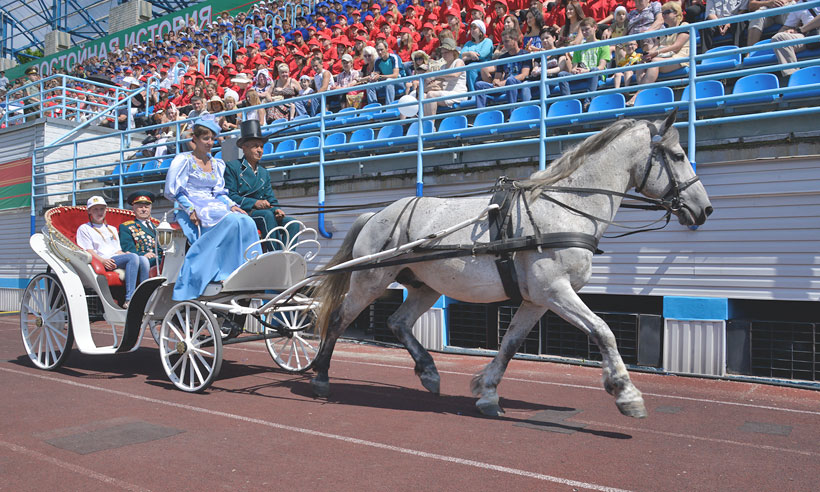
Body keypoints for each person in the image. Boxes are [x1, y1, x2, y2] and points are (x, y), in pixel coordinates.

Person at [163, 115, 262, 301]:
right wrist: (190, 209)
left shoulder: (217, 163)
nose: (210, 142)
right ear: (195, 139)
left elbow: (219, 192)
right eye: (205, 138)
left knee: (246, 220)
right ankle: (221, 272)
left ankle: (248, 270)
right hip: (193, 204)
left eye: (212, 138)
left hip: (214, 204)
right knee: (231, 220)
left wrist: (232, 205)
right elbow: (175, 191)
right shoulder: (184, 160)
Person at [224, 120, 301, 251]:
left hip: (265, 213)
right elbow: (230, 196)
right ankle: (276, 254)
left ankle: (288, 255)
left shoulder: (264, 173)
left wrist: (277, 209)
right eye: (255, 146)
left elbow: (270, 197)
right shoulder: (232, 167)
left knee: (292, 223)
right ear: (244, 148)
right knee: (267, 215)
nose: (259, 150)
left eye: (261, 146)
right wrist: (254, 203)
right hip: (244, 212)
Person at [76, 196, 146, 308]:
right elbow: (88, 251)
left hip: (115, 259)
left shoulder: (112, 229)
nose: (99, 212)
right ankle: (129, 299)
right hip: (102, 260)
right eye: (95, 209)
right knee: (133, 257)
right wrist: (103, 261)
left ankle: (145, 297)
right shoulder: (84, 228)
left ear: (106, 210)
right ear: (89, 211)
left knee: (143, 259)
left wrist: (125, 254)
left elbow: (117, 250)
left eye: (102, 209)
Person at [627, 2, 690, 105]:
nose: (663, 15)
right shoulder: (663, 30)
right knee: (641, 63)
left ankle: (638, 95)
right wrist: (648, 55)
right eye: (662, 13)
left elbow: (677, 46)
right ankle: (644, 95)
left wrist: (656, 52)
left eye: (667, 12)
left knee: (655, 61)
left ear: (676, 13)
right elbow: (655, 47)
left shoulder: (684, 25)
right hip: (664, 58)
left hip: (680, 58)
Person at [557, 17, 611, 108]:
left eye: (587, 29)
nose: (585, 32)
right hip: (581, 74)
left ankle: (588, 101)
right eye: (582, 30)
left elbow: (601, 67)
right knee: (562, 74)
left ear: (595, 27)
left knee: (594, 70)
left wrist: (586, 71)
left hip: (595, 74)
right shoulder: (579, 47)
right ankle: (567, 103)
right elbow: (573, 67)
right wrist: (575, 70)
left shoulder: (603, 45)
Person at [475, 27, 533, 108]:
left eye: (507, 41)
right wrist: (496, 82)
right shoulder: (502, 58)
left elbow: (524, 75)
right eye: (503, 42)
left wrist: (504, 82)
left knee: (510, 80)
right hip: (504, 86)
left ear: (515, 40)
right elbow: (497, 77)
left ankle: (511, 112)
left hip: (518, 85)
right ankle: (481, 113)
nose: (504, 44)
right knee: (479, 84)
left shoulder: (525, 54)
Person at [119, 192, 162, 280]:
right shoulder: (127, 227)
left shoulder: (159, 227)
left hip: (162, 259)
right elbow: (128, 249)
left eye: (146, 207)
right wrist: (144, 254)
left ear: (150, 208)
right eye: (140, 207)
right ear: (134, 208)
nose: (144, 209)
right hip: (145, 260)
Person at [771, 2, 820, 76]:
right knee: (779, 38)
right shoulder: (798, 5)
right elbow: (786, 27)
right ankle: (794, 77)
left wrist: (801, 29)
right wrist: (788, 31)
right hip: (810, 34)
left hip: (806, 31)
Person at [423, 37, 468, 115]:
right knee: (423, 96)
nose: (444, 55)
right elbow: (440, 81)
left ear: (453, 52)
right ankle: (426, 121)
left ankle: (431, 122)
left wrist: (436, 75)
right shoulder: (443, 67)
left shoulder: (459, 62)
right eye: (442, 53)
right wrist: (430, 82)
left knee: (431, 94)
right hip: (447, 93)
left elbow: (455, 75)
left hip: (458, 93)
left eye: (446, 52)